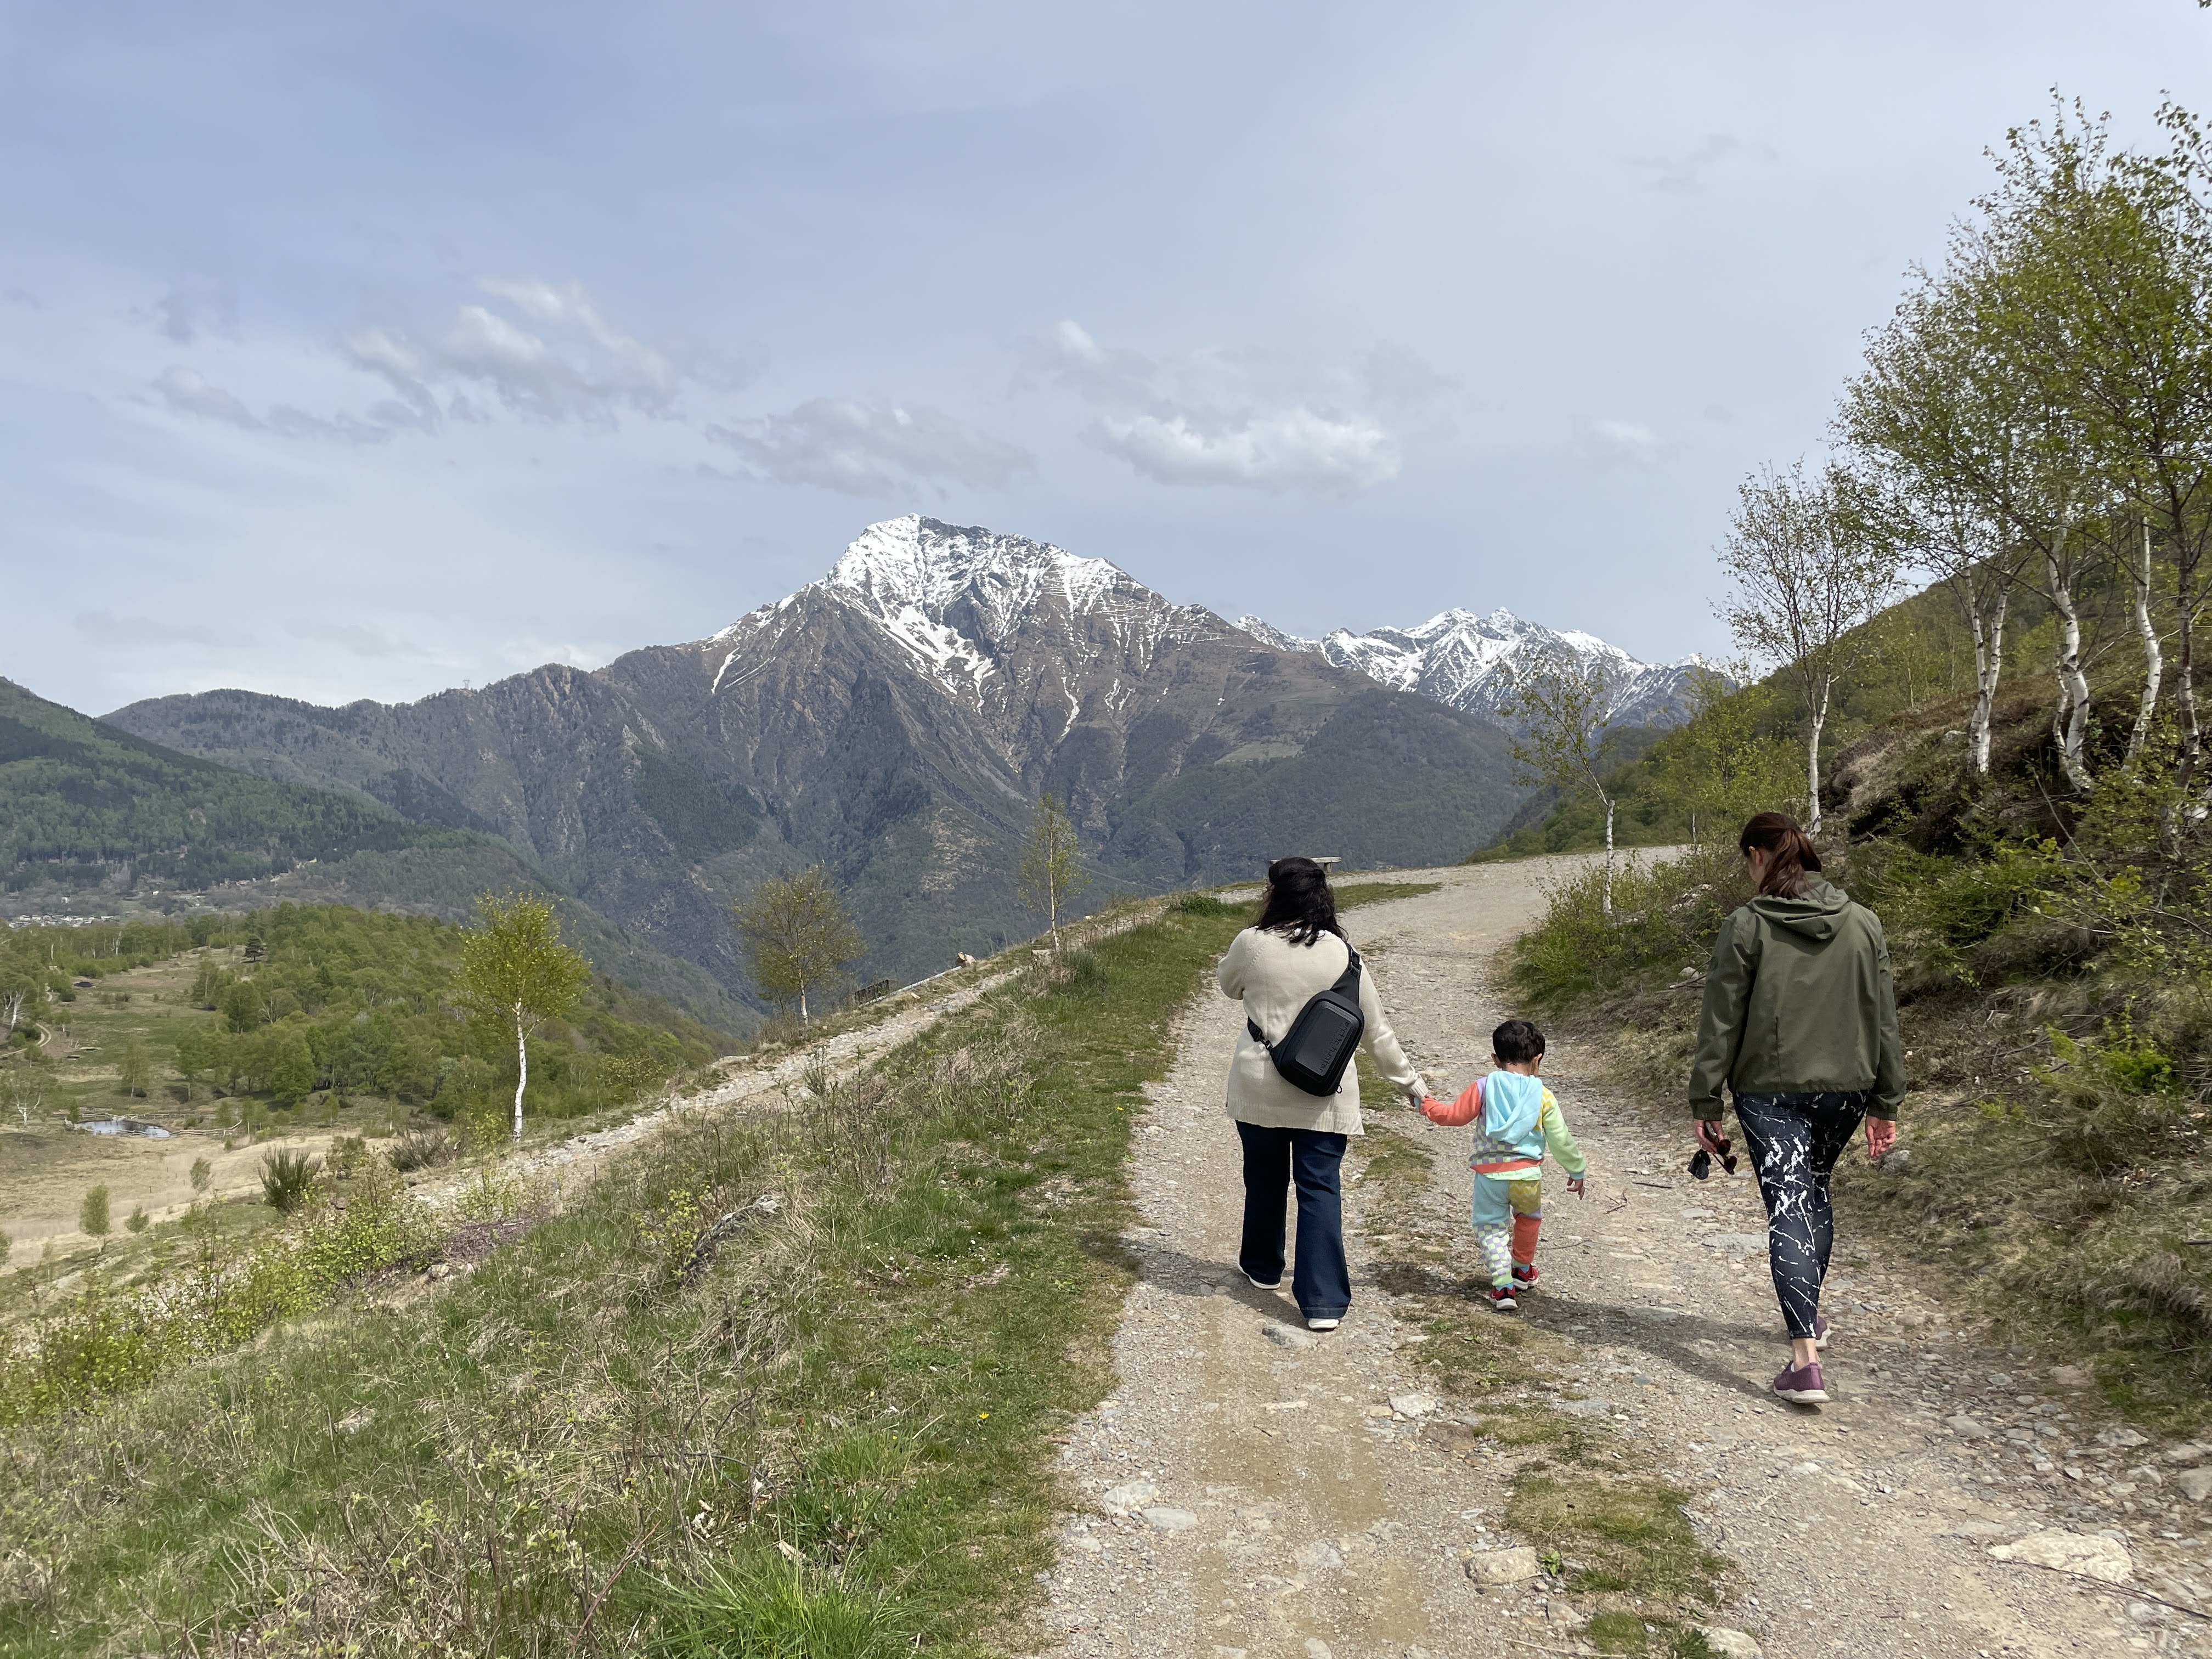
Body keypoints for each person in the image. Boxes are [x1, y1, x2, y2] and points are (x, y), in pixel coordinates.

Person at [1690, 811, 1905, 1406]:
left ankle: (1804, 1361)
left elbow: (1721, 1022)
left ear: (1759, 856)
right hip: (1849, 1088)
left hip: (1770, 1091)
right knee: (1814, 1191)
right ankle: (1809, 1314)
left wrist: (1706, 1101)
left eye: (1746, 861)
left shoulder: (1747, 926)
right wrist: (1886, 1101)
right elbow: (1884, 1018)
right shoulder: (1864, 924)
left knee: (1788, 1202)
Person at [1218, 856, 1426, 1331]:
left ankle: (1264, 1268)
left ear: (1273, 893)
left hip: (1260, 1088)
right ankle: (1323, 1303)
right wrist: (1412, 1085)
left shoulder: (1251, 944)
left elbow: (1229, 986)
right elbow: (1376, 1031)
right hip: (1325, 1092)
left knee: (1265, 1181)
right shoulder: (1342, 954)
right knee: (1319, 1190)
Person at [1419, 1018, 1588, 1311]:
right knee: (1529, 1219)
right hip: (1527, 1177)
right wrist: (1577, 1170)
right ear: (1538, 1060)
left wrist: (1429, 1106)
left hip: (1490, 1176)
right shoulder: (1544, 1096)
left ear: (1495, 1059)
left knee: (1491, 1228)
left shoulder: (1483, 1088)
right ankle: (1522, 1270)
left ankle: (1502, 1287)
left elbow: (1454, 1117)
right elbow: (1561, 1140)